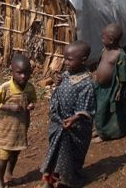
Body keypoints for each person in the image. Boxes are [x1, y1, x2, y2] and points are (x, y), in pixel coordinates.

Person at [41, 41, 96, 188]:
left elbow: (87, 108)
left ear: (83, 60)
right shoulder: (67, 74)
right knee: (54, 153)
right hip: (59, 123)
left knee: (70, 157)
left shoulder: (86, 84)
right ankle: (49, 181)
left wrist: (74, 118)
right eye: (64, 58)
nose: (65, 62)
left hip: (74, 129)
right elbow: (60, 92)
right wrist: (58, 82)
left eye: (69, 59)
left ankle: (68, 181)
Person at [0, 54, 37, 188]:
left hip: (21, 127)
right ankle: (0, 180)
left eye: (27, 72)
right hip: (7, 128)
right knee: (4, 157)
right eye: (19, 73)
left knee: (16, 153)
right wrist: (9, 106)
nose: (23, 76)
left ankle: (9, 174)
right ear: (12, 72)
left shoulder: (29, 88)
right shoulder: (5, 88)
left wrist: (31, 105)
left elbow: (33, 100)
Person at [93, 23, 126, 141]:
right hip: (101, 87)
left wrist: (120, 89)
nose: (101, 39)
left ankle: (111, 133)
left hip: (112, 89)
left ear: (112, 40)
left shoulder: (120, 55)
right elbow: (100, 64)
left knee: (111, 111)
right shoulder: (105, 50)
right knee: (100, 109)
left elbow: (123, 74)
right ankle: (101, 129)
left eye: (104, 37)